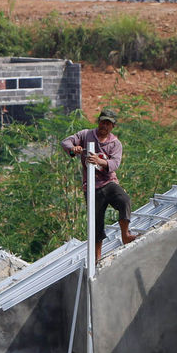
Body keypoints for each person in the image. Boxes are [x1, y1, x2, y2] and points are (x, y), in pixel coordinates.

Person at [61, 108, 138, 262]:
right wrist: (73, 149)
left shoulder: (115, 143)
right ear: (98, 122)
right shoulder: (85, 135)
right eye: (103, 122)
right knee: (96, 222)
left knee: (124, 200)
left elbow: (114, 164)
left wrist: (99, 161)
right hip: (91, 186)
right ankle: (97, 255)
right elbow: (65, 142)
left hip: (108, 182)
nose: (105, 126)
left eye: (108, 124)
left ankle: (125, 234)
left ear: (113, 126)